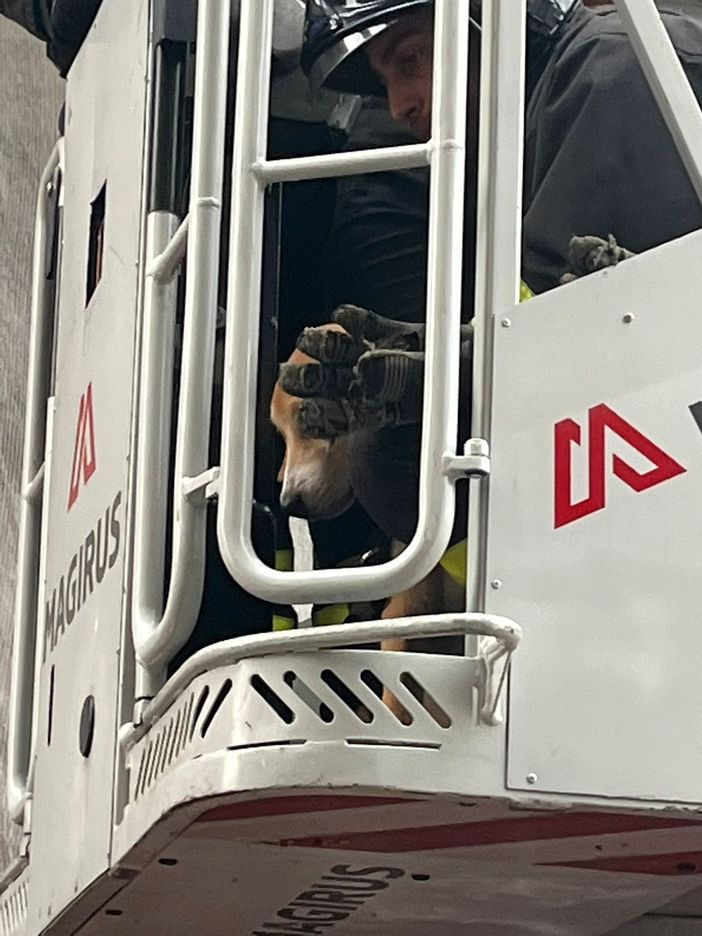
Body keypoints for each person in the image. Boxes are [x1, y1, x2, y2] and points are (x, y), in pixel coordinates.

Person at [285, 0, 702, 547]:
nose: (398, 107)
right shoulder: (539, 125)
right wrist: (444, 365)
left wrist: (464, 379)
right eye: (386, 82)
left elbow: (652, 358)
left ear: (503, 20)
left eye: (411, 60)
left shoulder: (614, 78)